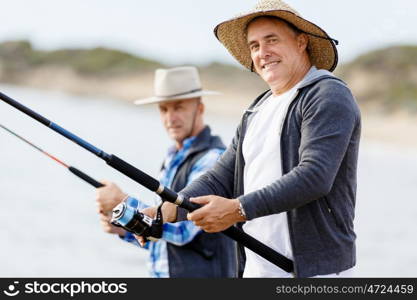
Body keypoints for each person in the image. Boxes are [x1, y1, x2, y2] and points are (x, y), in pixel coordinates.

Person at [157, 0, 361, 278]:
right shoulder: (257, 108)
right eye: (254, 46)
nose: (262, 53)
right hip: (257, 270)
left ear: (301, 42)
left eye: (271, 40)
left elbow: (314, 176)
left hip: (315, 272)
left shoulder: (327, 94)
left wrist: (237, 209)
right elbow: (220, 177)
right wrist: (162, 212)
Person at [96, 66, 237, 278]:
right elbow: (162, 239)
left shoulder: (213, 159)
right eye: (164, 109)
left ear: (199, 109)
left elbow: (182, 231)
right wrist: (126, 229)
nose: (170, 117)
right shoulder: (172, 158)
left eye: (178, 107)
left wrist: (123, 202)